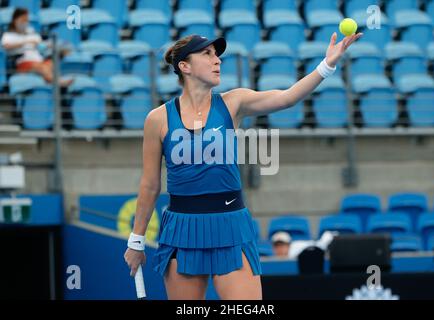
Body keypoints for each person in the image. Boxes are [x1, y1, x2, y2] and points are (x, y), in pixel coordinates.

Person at [124, 31, 362, 300]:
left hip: (231, 224)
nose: (218, 61)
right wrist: (136, 240)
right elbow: (150, 185)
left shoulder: (233, 102)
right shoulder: (157, 119)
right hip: (183, 228)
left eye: (217, 55)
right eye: (207, 54)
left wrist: (327, 64)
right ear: (184, 66)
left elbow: (287, 98)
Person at [1, 8, 72, 86]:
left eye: (26, 20)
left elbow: (42, 46)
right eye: (22, 20)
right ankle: (59, 83)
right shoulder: (9, 35)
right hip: (23, 63)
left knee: (52, 63)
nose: (25, 22)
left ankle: (50, 82)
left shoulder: (32, 33)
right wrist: (25, 42)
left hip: (39, 61)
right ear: (15, 20)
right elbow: (5, 46)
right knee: (43, 67)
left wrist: (51, 46)